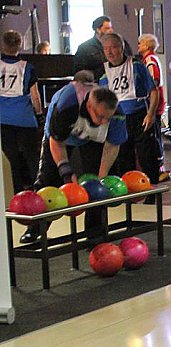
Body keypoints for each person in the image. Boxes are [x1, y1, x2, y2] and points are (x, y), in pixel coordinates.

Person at [20, 79, 126, 243]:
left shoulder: (117, 114)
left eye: (107, 118)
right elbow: (56, 143)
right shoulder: (67, 105)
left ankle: (95, 234)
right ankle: (35, 229)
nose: (104, 122)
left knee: (97, 188)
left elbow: (112, 146)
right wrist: (66, 172)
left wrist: (101, 177)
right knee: (47, 180)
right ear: (89, 106)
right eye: (100, 117)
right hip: (60, 138)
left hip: (91, 140)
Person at [99, 33, 160, 187]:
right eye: (106, 49)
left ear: (122, 48)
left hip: (139, 116)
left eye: (113, 47)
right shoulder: (102, 75)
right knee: (123, 159)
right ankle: (127, 190)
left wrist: (151, 114)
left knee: (146, 156)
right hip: (118, 120)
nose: (110, 52)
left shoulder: (136, 66)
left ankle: (151, 190)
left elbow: (153, 91)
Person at [1, 30, 43, 194]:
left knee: (11, 158)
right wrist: (39, 115)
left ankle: (15, 192)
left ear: (3, 45)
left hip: (3, 119)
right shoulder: (28, 68)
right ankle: (38, 191)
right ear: (19, 45)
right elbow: (35, 96)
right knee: (32, 157)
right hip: (25, 119)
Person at [138, 33, 168, 183]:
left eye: (140, 43)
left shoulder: (149, 61)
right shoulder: (152, 59)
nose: (138, 46)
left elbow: (153, 82)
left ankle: (158, 169)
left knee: (153, 137)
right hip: (156, 104)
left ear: (146, 45)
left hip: (153, 105)